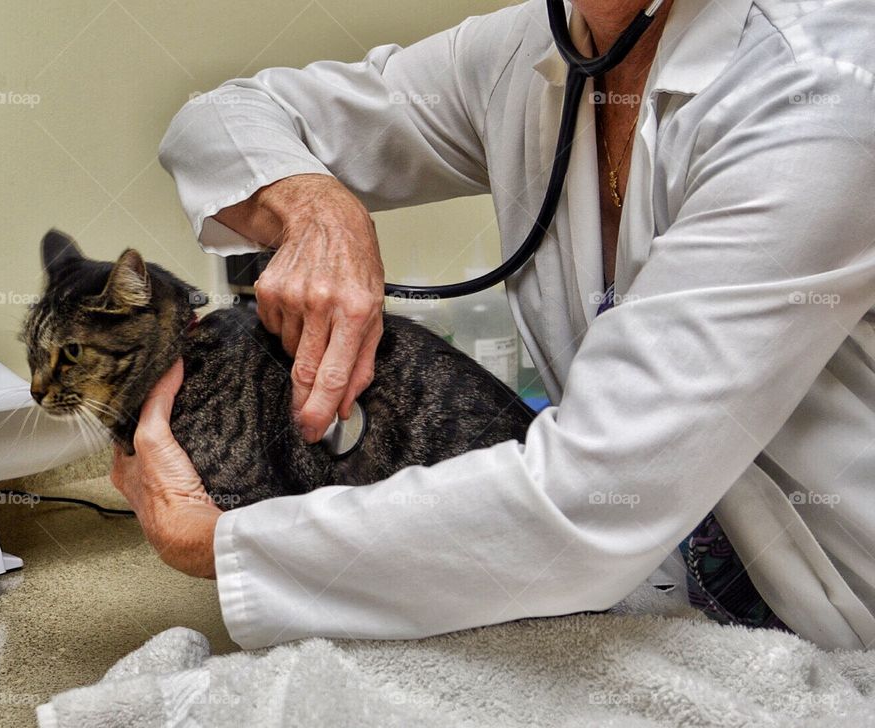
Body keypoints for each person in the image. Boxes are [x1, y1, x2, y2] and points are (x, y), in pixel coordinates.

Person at [111, 0, 875, 651]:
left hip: (843, 621)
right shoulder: (533, 51)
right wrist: (317, 207)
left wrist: (213, 540)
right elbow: (215, 119)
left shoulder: (821, 89)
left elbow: (591, 497)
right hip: (668, 593)